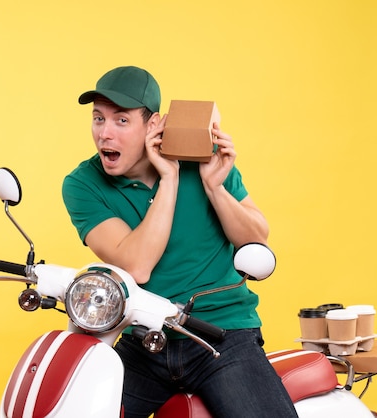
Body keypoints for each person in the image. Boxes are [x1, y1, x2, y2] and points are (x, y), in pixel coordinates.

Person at [61, 66, 298, 418]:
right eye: (98, 119)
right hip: (145, 340)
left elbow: (256, 239)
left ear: (152, 124)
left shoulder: (202, 153)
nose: (104, 134)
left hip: (222, 336)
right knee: (78, 409)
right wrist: (169, 177)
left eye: (121, 121)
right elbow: (137, 266)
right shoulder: (83, 184)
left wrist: (215, 187)